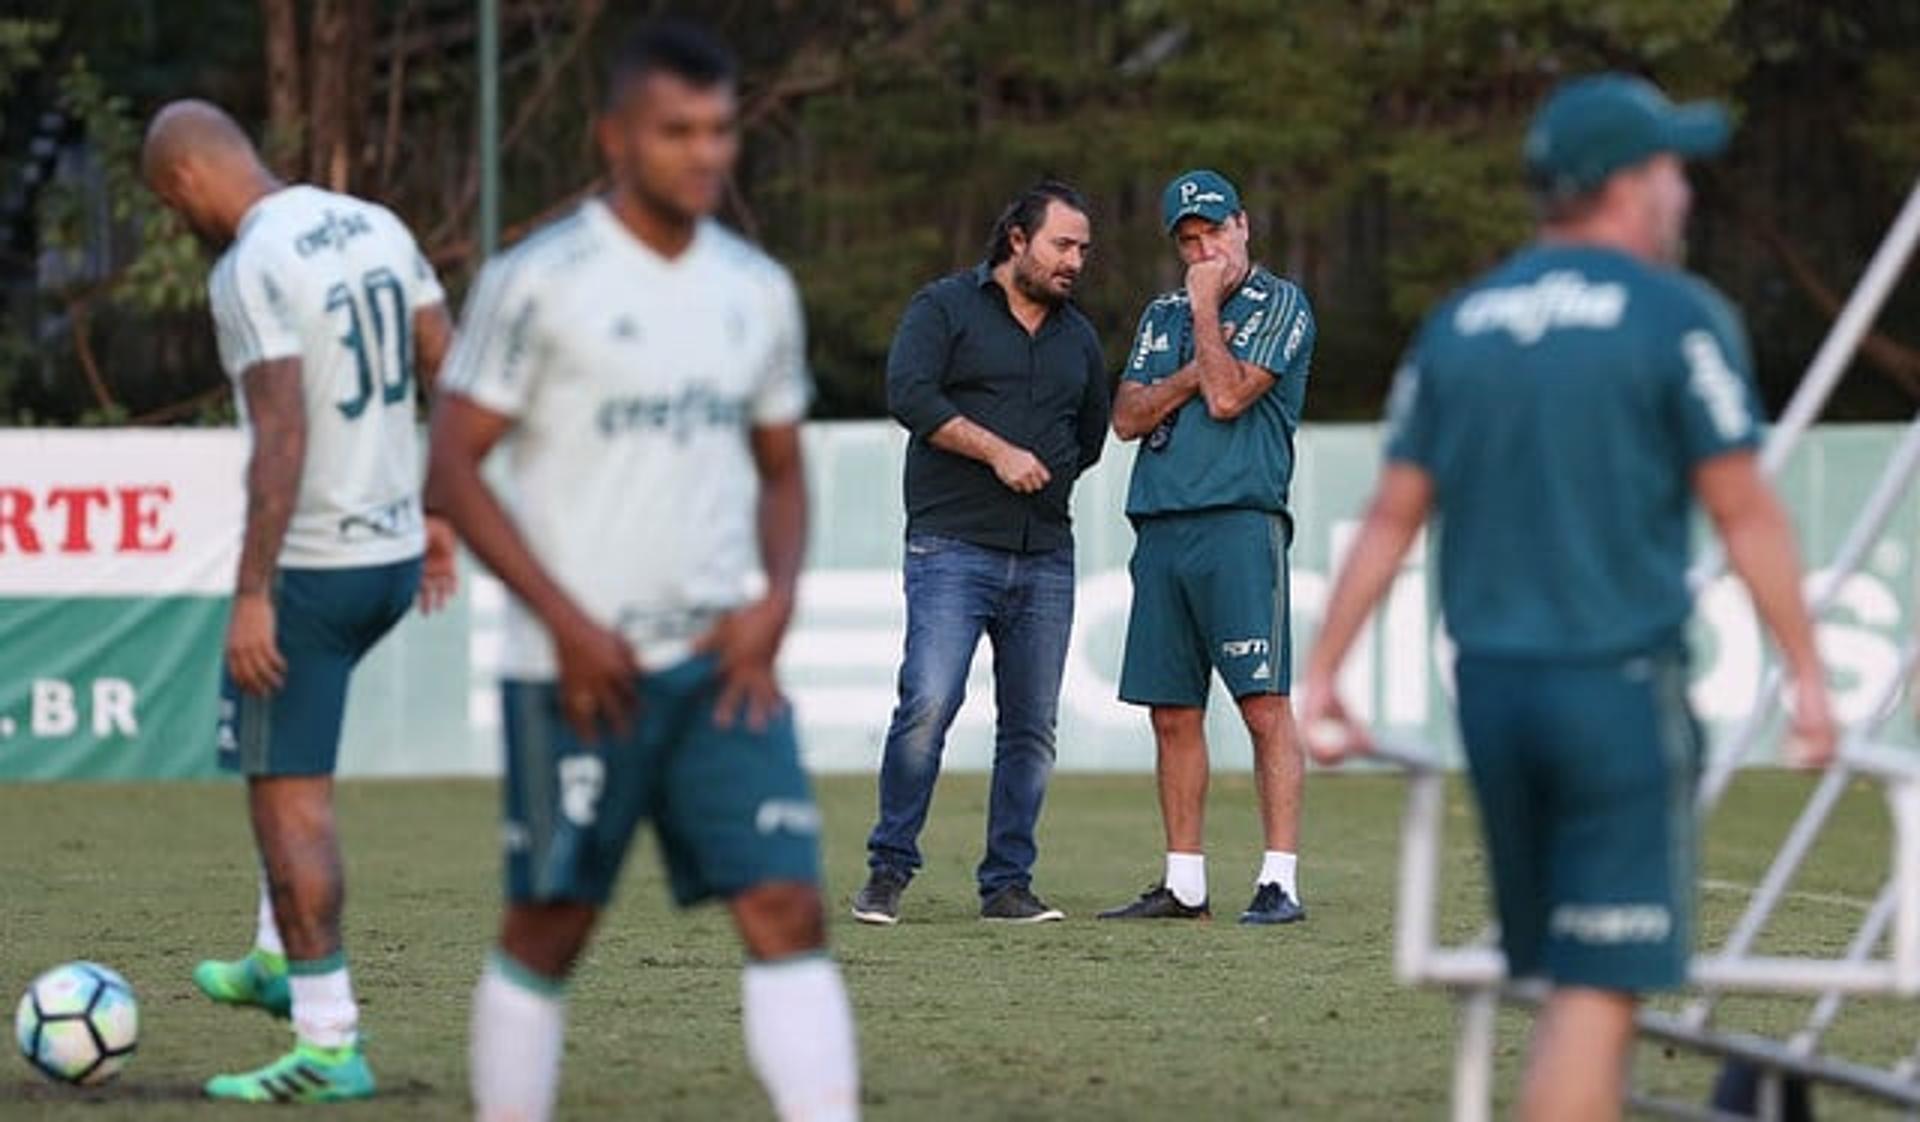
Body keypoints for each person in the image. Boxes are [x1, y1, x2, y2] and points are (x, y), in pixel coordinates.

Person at [1299, 74, 1837, 1122]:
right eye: (1673, 169)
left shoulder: (1462, 324)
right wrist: (1808, 675)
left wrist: (1323, 670)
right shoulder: (1675, 317)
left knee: (1565, 985)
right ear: (1628, 187)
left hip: (1493, 698)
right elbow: (1747, 512)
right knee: (1599, 990)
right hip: (1615, 694)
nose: (1684, 191)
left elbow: (1391, 517)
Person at [426, 23, 858, 1122]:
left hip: (720, 665)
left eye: (719, 132)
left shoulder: (756, 288)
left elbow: (781, 472)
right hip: (577, 671)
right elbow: (454, 469)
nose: (705, 154)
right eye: (677, 133)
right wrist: (567, 624)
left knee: (786, 908)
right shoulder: (539, 281)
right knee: (551, 925)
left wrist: (776, 603)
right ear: (614, 136)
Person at [142, 101, 457, 1102]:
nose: (175, 220)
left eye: (166, 204)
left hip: (313, 571)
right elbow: (453, 367)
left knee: (290, 802)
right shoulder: (374, 222)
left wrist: (250, 596)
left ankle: (326, 1038)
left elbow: (280, 440)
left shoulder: (247, 267)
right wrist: (441, 510)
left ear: (187, 183)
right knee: (284, 764)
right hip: (394, 551)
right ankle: (277, 955)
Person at [851, 181, 1108, 926]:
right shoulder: (944, 308)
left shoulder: (1079, 338)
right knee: (928, 706)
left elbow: (1088, 436)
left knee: (1031, 728)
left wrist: (1045, 471)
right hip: (950, 547)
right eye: (1063, 244)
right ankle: (888, 872)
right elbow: (910, 394)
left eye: (1084, 250)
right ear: (1017, 240)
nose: (1075, 262)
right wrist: (998, 452)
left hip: (1045, 555)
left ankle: (1007, 884)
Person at [1098, 170, 1315, 925]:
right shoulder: (1158, 316)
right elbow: (1125, 416)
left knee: (1262, 705)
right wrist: (1193, 357)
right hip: (1160, 523)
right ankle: (1183, 880)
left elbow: (1227, 397)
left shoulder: (1281, 302)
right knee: (1171, 711)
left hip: (1239, 522)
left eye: (1213, 232)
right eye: (1188, 240)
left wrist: (1201, 311)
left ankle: (1279, 879)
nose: (1203, 248)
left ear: (1243, 225)